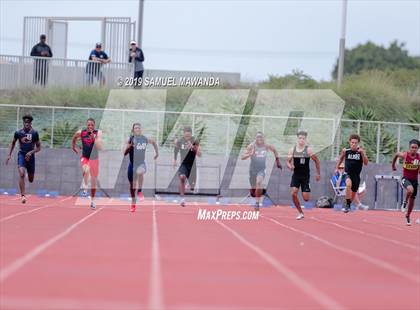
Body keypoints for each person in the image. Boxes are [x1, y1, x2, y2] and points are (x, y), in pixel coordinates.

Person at [241, 132, 282, 211]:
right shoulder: (251, 146)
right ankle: (255, 193)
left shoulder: (266, 146)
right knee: (254, 189)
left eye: (261, 137)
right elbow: (242, 157)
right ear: (255, 138)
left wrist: (277, 162)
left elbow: (275, 150)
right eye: (258, 137)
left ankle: (257, 203)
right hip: (252, 170)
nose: (259, 139)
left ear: (263, 138)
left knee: (259, 182)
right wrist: (250, 154)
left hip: (261, 169)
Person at [5, 115, 41, 203]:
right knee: (21, 173)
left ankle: (29, 174)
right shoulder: (18, 133)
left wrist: (31, 152)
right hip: (21, 154)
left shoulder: (34, 133)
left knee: (31, 179)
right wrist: (9, 155)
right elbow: (13, 143)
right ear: (23, 123)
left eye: (28, 122)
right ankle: (23, 196)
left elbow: (39, 147)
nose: (27, 124)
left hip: (30, 156)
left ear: (31, 123)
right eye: (25, 122)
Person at [123, 123, 159, 212]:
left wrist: (157, 153)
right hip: (132, 164)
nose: (138, 129)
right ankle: (133, 202)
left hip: (141, 163)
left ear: (141, 129)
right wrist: (130, 146)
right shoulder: (130, 139)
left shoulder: (144, 139)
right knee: (132, 186)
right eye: (136, 128)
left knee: (140, 171)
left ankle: (139, 191)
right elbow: (124, 153)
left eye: (139, 128)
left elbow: (154, 142)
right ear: (133, 130)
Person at [287, 131, 321, 220]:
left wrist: (318, 173)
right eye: (300, 138)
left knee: (306, 198)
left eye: (303, 138)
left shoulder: (308, 150)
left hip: (305, 176)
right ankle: (300, 212)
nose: (301, 140)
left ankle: (307, 188)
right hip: (296, 175)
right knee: (293, 193)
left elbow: (317, 161)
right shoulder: (292, 150)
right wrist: (290, 166)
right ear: (297, 139)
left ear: (305, 140)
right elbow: (288, 161)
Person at [71, 118, 103, 210]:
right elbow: (74, 138)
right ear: (86, 125)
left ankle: (92, 201)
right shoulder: (81, 132)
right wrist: (73, 147)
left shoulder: (98, 133)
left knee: (93, 181)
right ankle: (85, 187)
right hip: (85, 157)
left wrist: (94, 138)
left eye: (92, 125)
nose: (90, 127)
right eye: (88, 125)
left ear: (94, 125)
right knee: (86, 169)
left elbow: (100, 147)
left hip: (94, 159)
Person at [336, 134, 369, 213]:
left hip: (356, 176)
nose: (353, 144)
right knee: (348, 185)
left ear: (358, 143)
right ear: (349, 142)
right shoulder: (346, 151)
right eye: (352, 142)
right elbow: (341, 159)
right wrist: (336, 168)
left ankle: (348, 204)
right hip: (347, 173)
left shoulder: (360, 152)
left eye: (355, 143)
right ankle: (347, 205)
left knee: (353, 193)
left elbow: (366, 163)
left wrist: (363, 153)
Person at [392, 139, 420, 226]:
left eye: (415, 148)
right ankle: (404, 202)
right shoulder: (405, 155)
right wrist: (393, 165)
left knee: (412, 201)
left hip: (414, 180)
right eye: (412, 147)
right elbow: (396, 154)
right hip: (405, 179)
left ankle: (408, 216)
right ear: (409, 147)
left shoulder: (419, 157)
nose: (413, 149)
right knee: (410, 190)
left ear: (418, 148)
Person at [173, 126, 201, 207]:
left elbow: (200, 154)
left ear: (191, 134)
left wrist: (193, 147)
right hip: (184, 164)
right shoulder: (180, 141)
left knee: (192, 188)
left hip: (192, 166)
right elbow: (176, 149)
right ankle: (182, 199)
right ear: (183, 133)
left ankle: (190, 185)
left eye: (189, 133)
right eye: (185, 133)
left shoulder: (195, 141)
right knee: (182, 177)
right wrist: (174, 160)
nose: (187, 135)